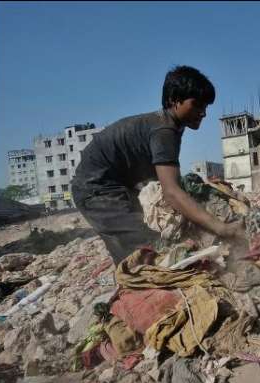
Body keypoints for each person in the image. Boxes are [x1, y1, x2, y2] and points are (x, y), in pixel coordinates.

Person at [71, 66, 244, 265]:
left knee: (146, 249)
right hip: (96, 190)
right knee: (148, 251)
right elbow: (172, 192)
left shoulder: (171, 125)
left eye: (206, 106)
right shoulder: (164, 131)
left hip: (117, 186)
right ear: (174, 100)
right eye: (196, 104)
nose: (203, 112)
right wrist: (222, 228)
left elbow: (166, 178)